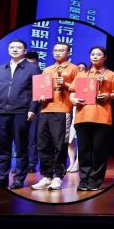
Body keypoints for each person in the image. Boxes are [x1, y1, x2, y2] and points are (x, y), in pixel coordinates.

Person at [0, 39, 41, 189]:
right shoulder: (0, 69)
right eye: (12, 47)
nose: (15, 49)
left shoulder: (33, 69)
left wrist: (33, 109)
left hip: (21, 112)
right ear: (8, 50)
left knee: (21, 147)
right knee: (2, 147)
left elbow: (37, 92)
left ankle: (19, 179)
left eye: (18, 47)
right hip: (1, 112)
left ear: (25, 51)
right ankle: (2, 177)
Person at [69, 46, 114, 191]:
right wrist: (73, 99)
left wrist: (108, 96)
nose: (95, 57)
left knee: (99, 150)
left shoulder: (112, 75)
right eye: (92, 54)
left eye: (98, 54)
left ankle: (95, 181)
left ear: (105, 57)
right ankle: (84, 180)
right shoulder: (82, 74)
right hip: (82, 116)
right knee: (84, 150)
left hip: (102, 117)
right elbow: (72, 93)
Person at [31, 42, 79, 191]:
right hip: (45, 110)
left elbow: (78, 89)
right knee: (43, 144)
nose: (57, 52)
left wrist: (65, 84)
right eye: (55, 50)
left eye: (61, 50)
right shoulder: (47, 69)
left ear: (68, 52)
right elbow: (41, 89)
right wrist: (40, 96)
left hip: (63, 110)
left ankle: (58, 176)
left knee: (60, 144)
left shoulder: (74, 68)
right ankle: (46, 176)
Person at [67, 62, 87, 171]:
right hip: (71, 111)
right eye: (79, 68)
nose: (81, 70)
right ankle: (71, 162)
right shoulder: (74, 82)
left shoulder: (88, 81)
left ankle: (77, 163)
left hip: (83, 111)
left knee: (81, 140)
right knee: (69, 140)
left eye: (83, 68)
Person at [25, 51, 41, 173]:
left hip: (35, 109)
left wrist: (33, 109)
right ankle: (22, 164)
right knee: (20, 137)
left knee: (32, 137)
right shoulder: (20, 73)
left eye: (33, 64)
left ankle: (31, 163)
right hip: (20, 109)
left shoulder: (40, 74)